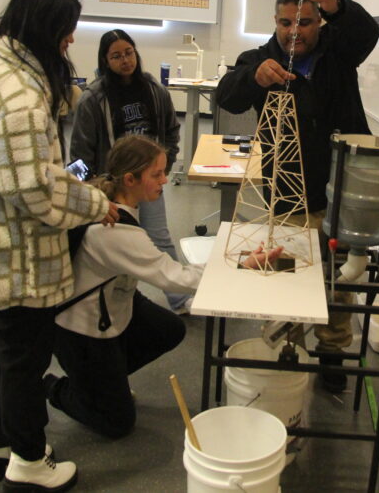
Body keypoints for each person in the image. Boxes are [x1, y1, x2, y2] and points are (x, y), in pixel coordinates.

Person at [0, 0, 118, 492]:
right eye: (66, 30)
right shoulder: (19, 95)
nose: (70, 40)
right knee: (24, 358)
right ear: (45, 27)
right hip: (18, 252)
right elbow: (36, 190)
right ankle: (28, 462)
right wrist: (96, 203)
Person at [43, 135, 281, 438]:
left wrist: (238, 262)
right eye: (156, 175)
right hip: (81, 329)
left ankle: (103, 383)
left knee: (169, 329)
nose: (165, 180)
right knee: (117, 423)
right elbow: (175, 276)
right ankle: (58, 388)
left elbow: (170, 270)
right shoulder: (114, 231)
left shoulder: (120, 207)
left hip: (112, 306)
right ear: (130, 180)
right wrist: (241, 266)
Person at [215, 0, 379, 392]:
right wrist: (253, 78)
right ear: (275, 21)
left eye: (305, 22)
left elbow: (367, 34)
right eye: (286, 22)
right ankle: (287, 351)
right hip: (287, 194)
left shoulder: (339, 52)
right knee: (287, 276)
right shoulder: (259, 60)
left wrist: (338, 7)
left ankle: (332, 353)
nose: (294, 31)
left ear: (319, 21)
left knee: (338, 283)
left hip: (339, 189)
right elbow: (226, 94)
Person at [69, 29, 191, 315]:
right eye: (116, 56)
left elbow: (171, 131)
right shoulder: (93, 99)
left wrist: (163, 168)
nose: (125, 60)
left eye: (129, 53)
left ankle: (179, 299)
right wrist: (92, 193)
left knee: (160, 238)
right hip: (113, 188)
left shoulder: (154, 90)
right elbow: (80, 153)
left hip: (146, 182)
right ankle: (113, 302)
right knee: (113, 245)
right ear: (105, 60)